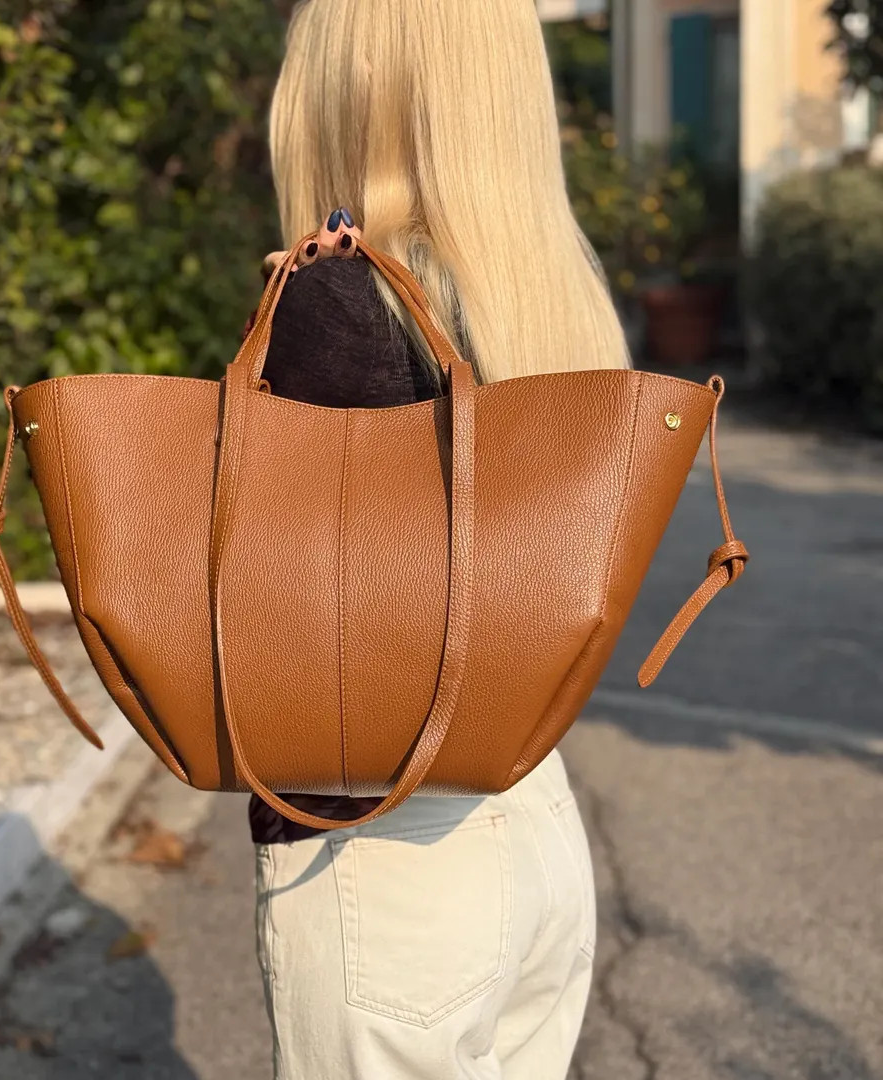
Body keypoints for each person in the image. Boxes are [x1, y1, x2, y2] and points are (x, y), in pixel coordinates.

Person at [248, 1, 627, 1076]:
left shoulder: (338, 300)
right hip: (532, 826)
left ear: (339, 85)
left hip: (380, 859)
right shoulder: (550, 294)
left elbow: (270, 595)